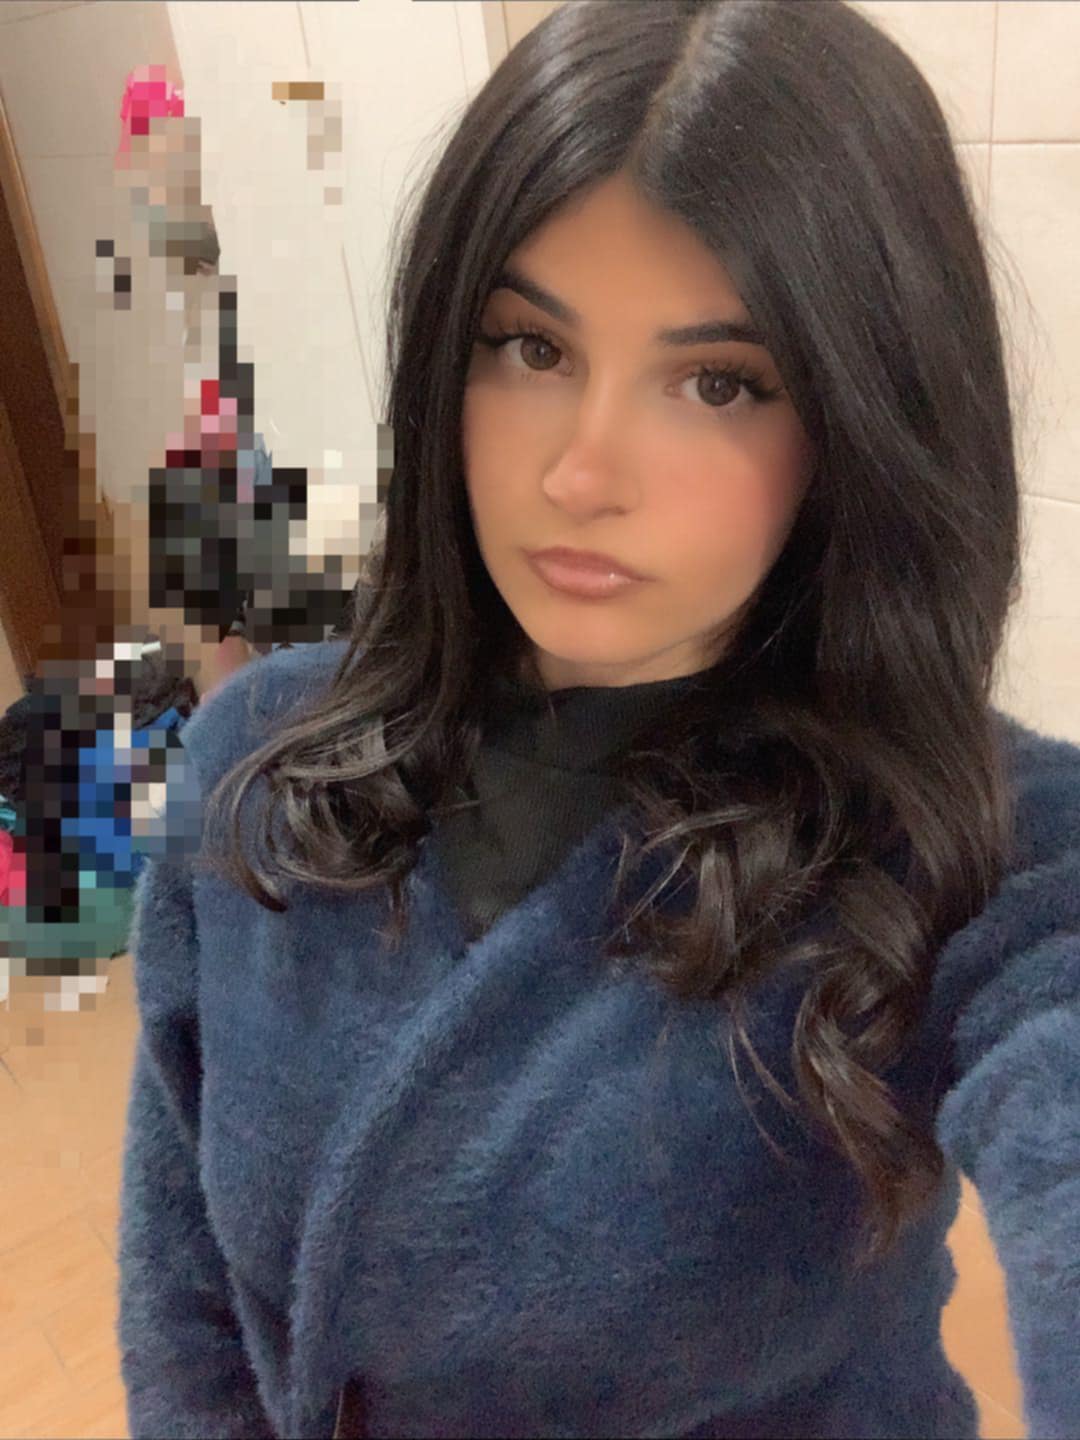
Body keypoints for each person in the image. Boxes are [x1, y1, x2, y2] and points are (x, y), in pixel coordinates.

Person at [116, 3, 1080, 1439]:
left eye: (718, 383)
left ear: (860, 422)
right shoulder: (259, 762)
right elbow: (187, 1311)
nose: (581, 473)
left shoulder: (977, 844)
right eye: (529, 348)